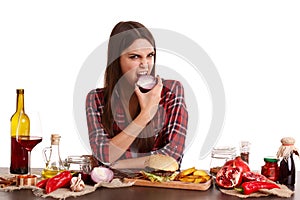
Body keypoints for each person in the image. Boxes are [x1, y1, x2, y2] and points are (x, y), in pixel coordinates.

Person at [86, 21, 188, 169]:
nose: (145, 64)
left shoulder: (171, 91)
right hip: (114, 188)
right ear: (116, 60)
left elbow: (171, 158)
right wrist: (145, 114)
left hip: (158, 189)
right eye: (135, 57)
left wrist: (117, 164)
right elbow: (104, 155)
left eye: (150, 55)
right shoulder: (96, 99)